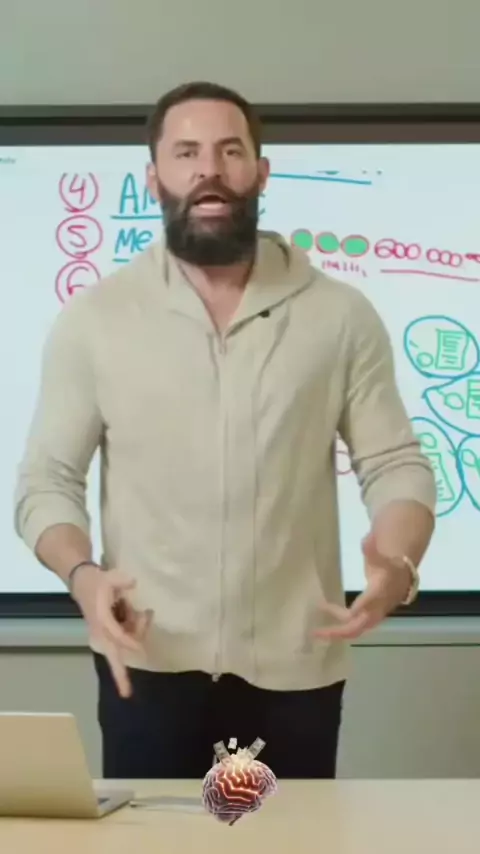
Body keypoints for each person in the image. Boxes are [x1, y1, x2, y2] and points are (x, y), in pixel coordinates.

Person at [13, 81, 436, 781]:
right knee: (156, 835)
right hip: (147, 663)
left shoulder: (338, 315)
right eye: (186, 153)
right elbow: (46, 481)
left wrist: (399, 561)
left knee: (287, 835)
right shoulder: (97, 320)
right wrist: (82, 577)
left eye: (229, 151)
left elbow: (395, 463)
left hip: (296, 671)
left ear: (260, 172)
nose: (208, 170)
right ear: (154, 177)